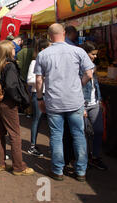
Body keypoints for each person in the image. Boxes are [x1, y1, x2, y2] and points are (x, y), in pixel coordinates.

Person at [34, 23, 94, 182]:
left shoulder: (43, 54)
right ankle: (81, 171)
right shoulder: (78, 51)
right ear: (65, 33)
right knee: (78, 135)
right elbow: (89, 73)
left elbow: (39, 80)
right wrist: (78, 85)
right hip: (75, 101)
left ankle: (57, 170)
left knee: (56, 136)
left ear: (49, 35)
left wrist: (40, 98)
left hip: (54, 101)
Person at [0, 40, 34, 175]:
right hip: (8, 103)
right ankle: (19, 166)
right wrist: (18, 100)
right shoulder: (10, 66)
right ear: (8, 51)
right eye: (13, 48)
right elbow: (11, 86)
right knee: (14, 134)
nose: (15, 50)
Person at [82, 41, 108, 171]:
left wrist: (99, 100)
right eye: (93, 54)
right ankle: (84, 159)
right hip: (84, 104)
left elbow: (95, 85)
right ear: (86, 54)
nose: (95, 56)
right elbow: (78, 87)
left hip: (94, 103)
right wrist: (81, 106)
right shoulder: (79, 67)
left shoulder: (93, 66)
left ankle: (95, 157)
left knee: (98, 130)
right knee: (85, 133)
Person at [26, 39, 50, 157]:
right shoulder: (34, 63)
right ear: (43, 49)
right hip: (38, 94)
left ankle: (53, 146)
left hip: (51, 95)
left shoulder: (51, 61)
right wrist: (42, 79)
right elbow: (29, 80)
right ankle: (32, 146)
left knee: (52, 121)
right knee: (37, 120)